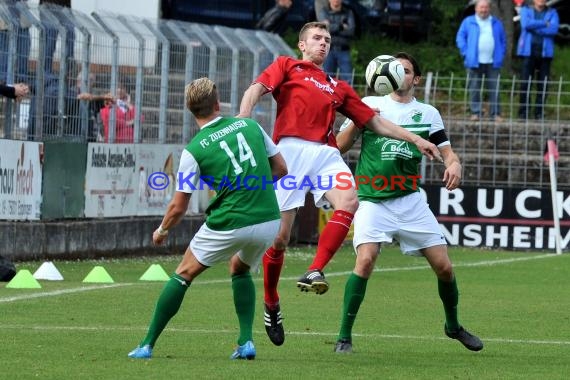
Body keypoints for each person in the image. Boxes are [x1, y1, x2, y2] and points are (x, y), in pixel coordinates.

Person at [238, 22, 441, 347]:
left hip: (324, 152)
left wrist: (417, 139)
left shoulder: (337, 85)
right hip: (288, 150)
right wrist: (244, 118)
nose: (323, 43)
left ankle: (315, 269)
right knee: (279, 240)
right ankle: (272, 301)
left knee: (350, 201)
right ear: (302, 44)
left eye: (327, 40)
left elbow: (374, 121)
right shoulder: (286, 65)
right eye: (317, 38)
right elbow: (255, 89)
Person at [333, 52, 483, 354]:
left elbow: (447, 153)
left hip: (410, 200)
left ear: (416, 79)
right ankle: (344, 337)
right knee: (365, 260)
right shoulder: (369, 105)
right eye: (394, 69)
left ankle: (452, 326)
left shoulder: (427, 113)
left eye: (406, 70)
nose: (399, 74)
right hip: (373, 200)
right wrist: (360, 119)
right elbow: (339, 146)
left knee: (444, 267)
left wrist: (454, 164)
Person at [128, 77, 288, 360]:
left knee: (183, 273)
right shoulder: (251, 126)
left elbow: (179, 206)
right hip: (268, 220)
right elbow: (281, 168)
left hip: (230, 221)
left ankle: (146, 344)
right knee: (239, 267)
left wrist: (162, 230)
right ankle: (245, 342)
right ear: (217, 104)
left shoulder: (194, 150)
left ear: (191, 111)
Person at [456, 0, 506, 122]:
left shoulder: (496, 23)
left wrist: (501, 53)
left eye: (486, 7)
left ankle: (495, 114)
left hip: (493, 61)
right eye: (481, 7)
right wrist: (466, 53)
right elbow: (460, 38)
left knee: (495, 88)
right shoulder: (468, 22)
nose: (483, 10)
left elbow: (503, 40)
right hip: (474, 61)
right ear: (476, 9)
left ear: (489, 8)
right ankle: (475, 113)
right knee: (474, 88)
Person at [517, 0, 559, 120]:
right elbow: (525, 24)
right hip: (528, 52)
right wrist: (544, 23)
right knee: (525, 83)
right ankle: (523, 113)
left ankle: (539, 113)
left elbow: (554, 29)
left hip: (545, 54)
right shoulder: (525, 10)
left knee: (543, 85)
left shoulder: (553, 12)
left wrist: (534, 27)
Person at [317, 0, 355, 83]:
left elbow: (351, 31)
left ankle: (347, 96)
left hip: (344, 50)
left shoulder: (348, 12)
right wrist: (341, 26)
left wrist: (331, 26)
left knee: (348, 80)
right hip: (328, 50)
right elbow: (324, 29)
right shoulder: (324, 12)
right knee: (326, 80)